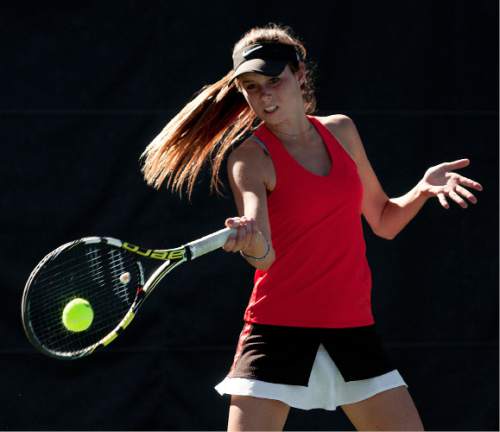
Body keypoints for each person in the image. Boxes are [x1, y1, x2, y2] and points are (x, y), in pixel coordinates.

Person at [142, 23, 483, 432]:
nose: (265, 96)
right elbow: (264, 254)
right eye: (251, 87)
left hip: (352, 328)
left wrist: (422, 190)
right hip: (276, 330)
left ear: (299, 73)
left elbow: (384, 221)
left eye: (274, 80)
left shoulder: (342, 131)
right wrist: (251, 237)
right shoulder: (249, 158)